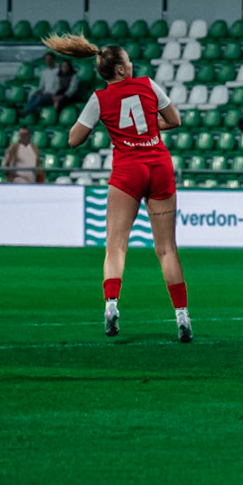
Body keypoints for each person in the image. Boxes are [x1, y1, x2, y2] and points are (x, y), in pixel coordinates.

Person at [46, 33, 191, 342]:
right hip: (159, 166)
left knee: (116, 246)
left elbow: (73, 140)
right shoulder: (148, 84)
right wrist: (147, 127)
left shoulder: (99, 98)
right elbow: (174, 120)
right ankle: (182, 316)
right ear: (122, 69)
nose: (132, 64)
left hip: (128, 171)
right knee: (167, 249)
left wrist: (110, 126)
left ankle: (111, 306)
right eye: (129, 61)